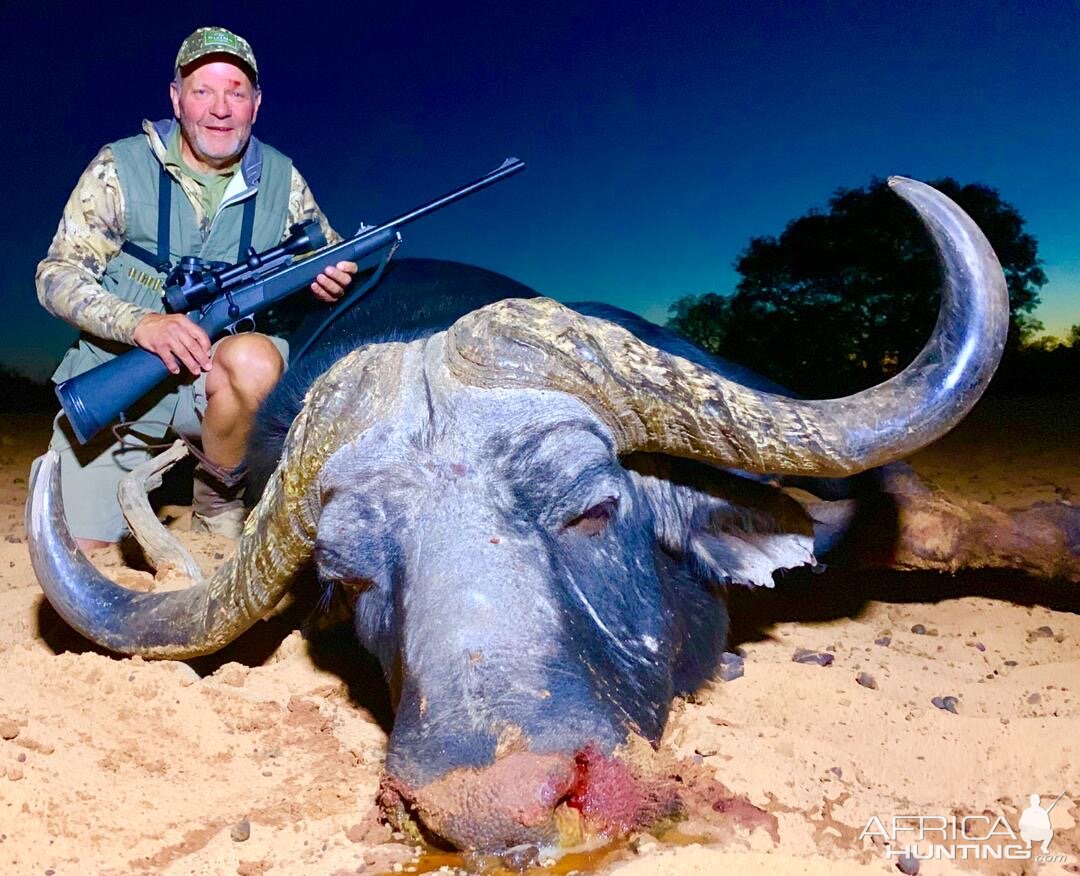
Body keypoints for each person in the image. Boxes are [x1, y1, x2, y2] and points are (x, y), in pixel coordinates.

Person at [36, 27, 357, 550]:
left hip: (218, 387)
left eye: (235, 91)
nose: (220, 108)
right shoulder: (119, 166)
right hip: (122, 392)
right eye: (202, 90)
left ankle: (219, 501)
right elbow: (55, 275)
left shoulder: (284, 180)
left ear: (256, 105)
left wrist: (332, 277)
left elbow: (329, 252)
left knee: (254, 359)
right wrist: (140, 323)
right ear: (176, 98)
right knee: (80, 551)